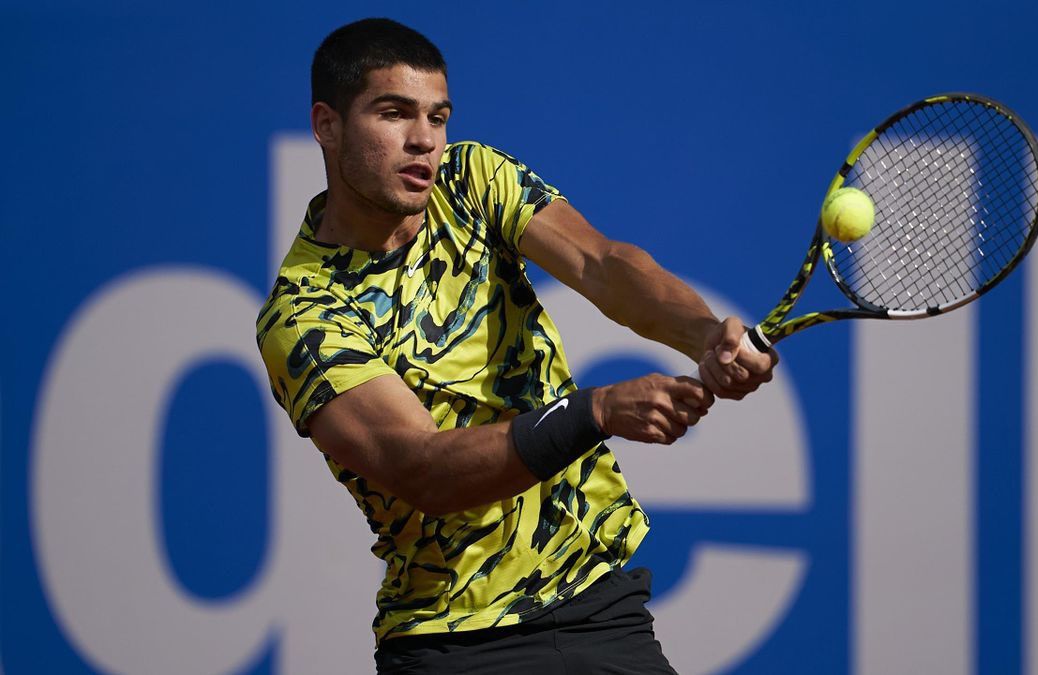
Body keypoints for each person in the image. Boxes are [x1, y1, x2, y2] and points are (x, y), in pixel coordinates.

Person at [255, 17, 776, 674]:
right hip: (453, 645)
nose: (424, 141)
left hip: (600, 607)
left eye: (437, 117)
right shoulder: (302, 313)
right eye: (394, 114)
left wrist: (703, 333)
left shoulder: (470, 179)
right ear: (326, 125)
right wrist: (593, 412)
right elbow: (424, 469)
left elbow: (603, 265)